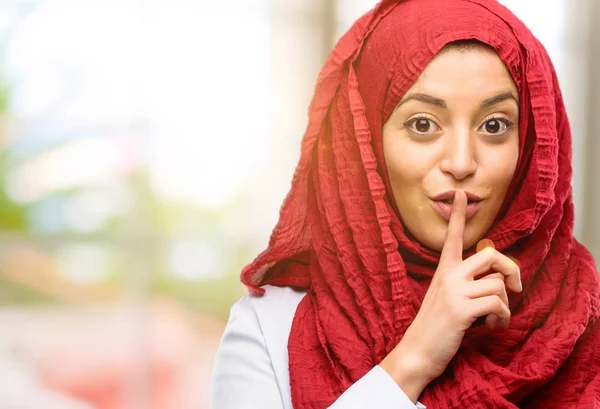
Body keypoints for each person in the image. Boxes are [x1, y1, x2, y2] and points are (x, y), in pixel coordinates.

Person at [209, 0, 600, 407]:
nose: (462, 162)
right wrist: (413, 360)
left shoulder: (584, 322)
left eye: (494, 125)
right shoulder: (270, 329)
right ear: (364, 144)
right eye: (423, 125)